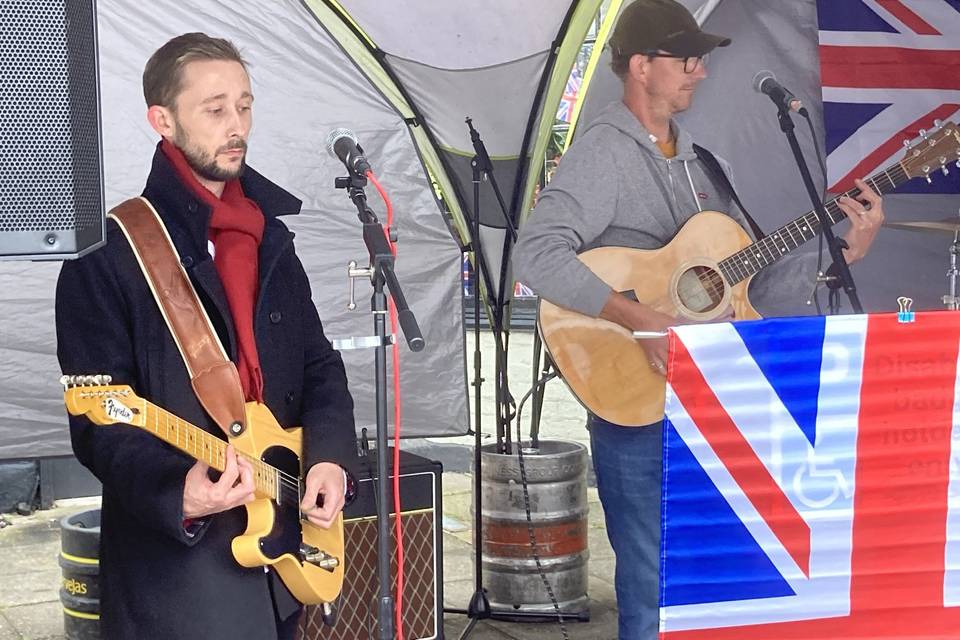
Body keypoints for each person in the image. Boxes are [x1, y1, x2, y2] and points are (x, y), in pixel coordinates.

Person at [513, 1, 884, 638]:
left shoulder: (708, 164)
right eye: (686, 59)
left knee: (716, 579)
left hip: (715, 400)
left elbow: (751, 287)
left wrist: (846, 250)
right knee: (651, 580)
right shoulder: (603, 153)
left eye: (701, 59)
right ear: (638, 67)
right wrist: (641, 319)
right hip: (637, 401)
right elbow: (537, 254)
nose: (700, 72)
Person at [55, 33, 358, 640]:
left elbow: (318, 363)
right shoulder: (107, 255)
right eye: (215, 109)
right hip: (176, 575)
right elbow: (99, 424)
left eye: (244, 105)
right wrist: (178, 493)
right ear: (161, 121)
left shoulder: (270, 237)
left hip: (281, 552)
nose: (236, 125)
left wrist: (328, 457)